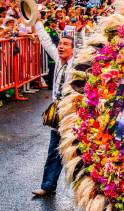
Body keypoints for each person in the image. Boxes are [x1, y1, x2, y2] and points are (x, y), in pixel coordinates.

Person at [32, 13, 75, 196]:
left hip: (74, 117)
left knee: (81, 155)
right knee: (54, 151)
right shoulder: (57, 60)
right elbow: (45, 40)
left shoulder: (77, 65)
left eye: (65, 45)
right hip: (58, 115)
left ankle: (93, 195)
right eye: (60, 44)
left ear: (73, 49)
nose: (61, 47)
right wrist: (35, 20)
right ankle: (48, 186)